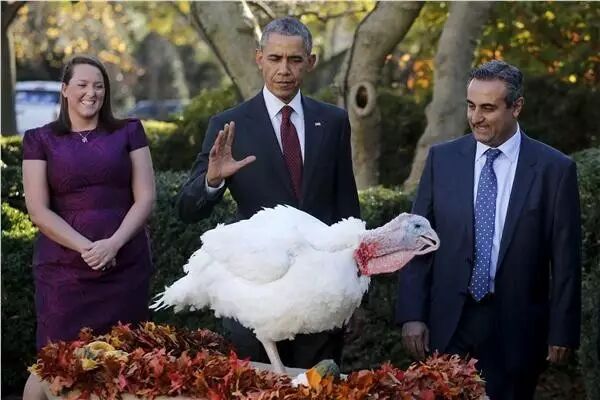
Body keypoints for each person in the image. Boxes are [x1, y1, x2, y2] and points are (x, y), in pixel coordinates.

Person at [177, 16, 360, 369]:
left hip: (320, 295)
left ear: (311, 61)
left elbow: (347, 209)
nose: (284, 70)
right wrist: (212, 181)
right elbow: (187, 208)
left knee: (316, 388)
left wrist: (354, 289)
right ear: (259, 58)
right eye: (275, 58)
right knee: (257, 389)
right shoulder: (229, 125)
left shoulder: (333, 121)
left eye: (294, 59)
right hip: (256, 303)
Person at [395, 60, 581, 399]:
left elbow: (566, 260)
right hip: (448, 323)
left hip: (517, 328)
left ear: (516, 107)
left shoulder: (555, 170)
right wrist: (412, 314)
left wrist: (562, 331)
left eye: (488, 108)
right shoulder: (442, 160)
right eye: (471, 106)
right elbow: (417, 242)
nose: (476, 117)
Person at [22, 55, 156, 400]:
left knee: (126, 365)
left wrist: (113, 244)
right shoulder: (39, 139)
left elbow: (145, 198)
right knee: (53, 363)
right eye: (82, 85)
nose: (91, 93)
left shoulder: (129, 131)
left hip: (125, 266)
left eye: (98, 86)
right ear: (65, 89)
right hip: (63, 272)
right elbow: (38, 210)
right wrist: (87, 248)